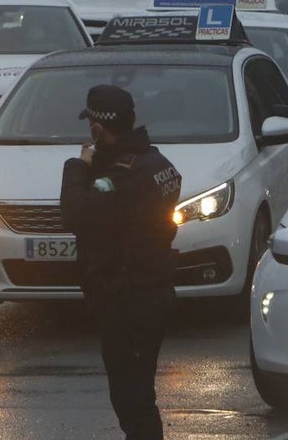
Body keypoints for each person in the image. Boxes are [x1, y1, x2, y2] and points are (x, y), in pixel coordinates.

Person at [60, 85, 181, 440]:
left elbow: (74, 213)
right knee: (138, 395)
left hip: (129, 301)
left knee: (132, 399)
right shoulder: (156, 162)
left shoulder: (121, 175)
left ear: (97, 128)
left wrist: (77, 166)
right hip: (150, 292)